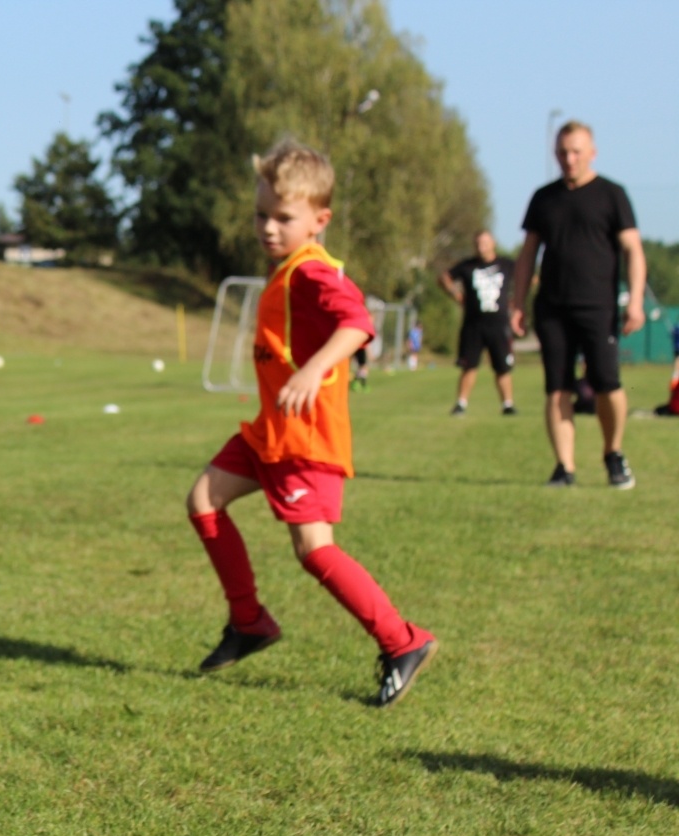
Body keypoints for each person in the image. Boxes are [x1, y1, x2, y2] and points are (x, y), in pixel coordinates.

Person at [185, 140, 437, 707]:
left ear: (319, 220)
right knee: (203, 499)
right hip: (270, 430)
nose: (268, 228)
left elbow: (358, 322)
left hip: (305, 438)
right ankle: (248, 621)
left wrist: (313, 370)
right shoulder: (287, 270)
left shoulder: (312, 272)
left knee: (314, 550)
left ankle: (403, 641)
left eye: (283, 217)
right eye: (261, 215)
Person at [510, 121, 645, 489]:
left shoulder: (612, 195)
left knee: (608, 385)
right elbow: (527, 255)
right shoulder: (544, 198)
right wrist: (518, 303)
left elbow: (633, 250)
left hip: (598, 308)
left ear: (592, 152)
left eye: (576, 152)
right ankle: (564, 467)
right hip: (553, 308)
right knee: (557, 388)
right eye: (563, 152)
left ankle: (613, 453)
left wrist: (634, 301)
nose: (569, 159)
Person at [439, 230, 517, 416]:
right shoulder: (467, 266)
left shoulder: (506, 264)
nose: (482, 246)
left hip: (499, 324)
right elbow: (444, 278)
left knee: (502, 367)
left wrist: (517, 300)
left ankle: (507, 404)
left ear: (493, 243)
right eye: (478, 243)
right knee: (469, 365)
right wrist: (456, 295)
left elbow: (530, 277)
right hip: (473, 325)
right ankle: (461, 403)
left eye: (485, 242)